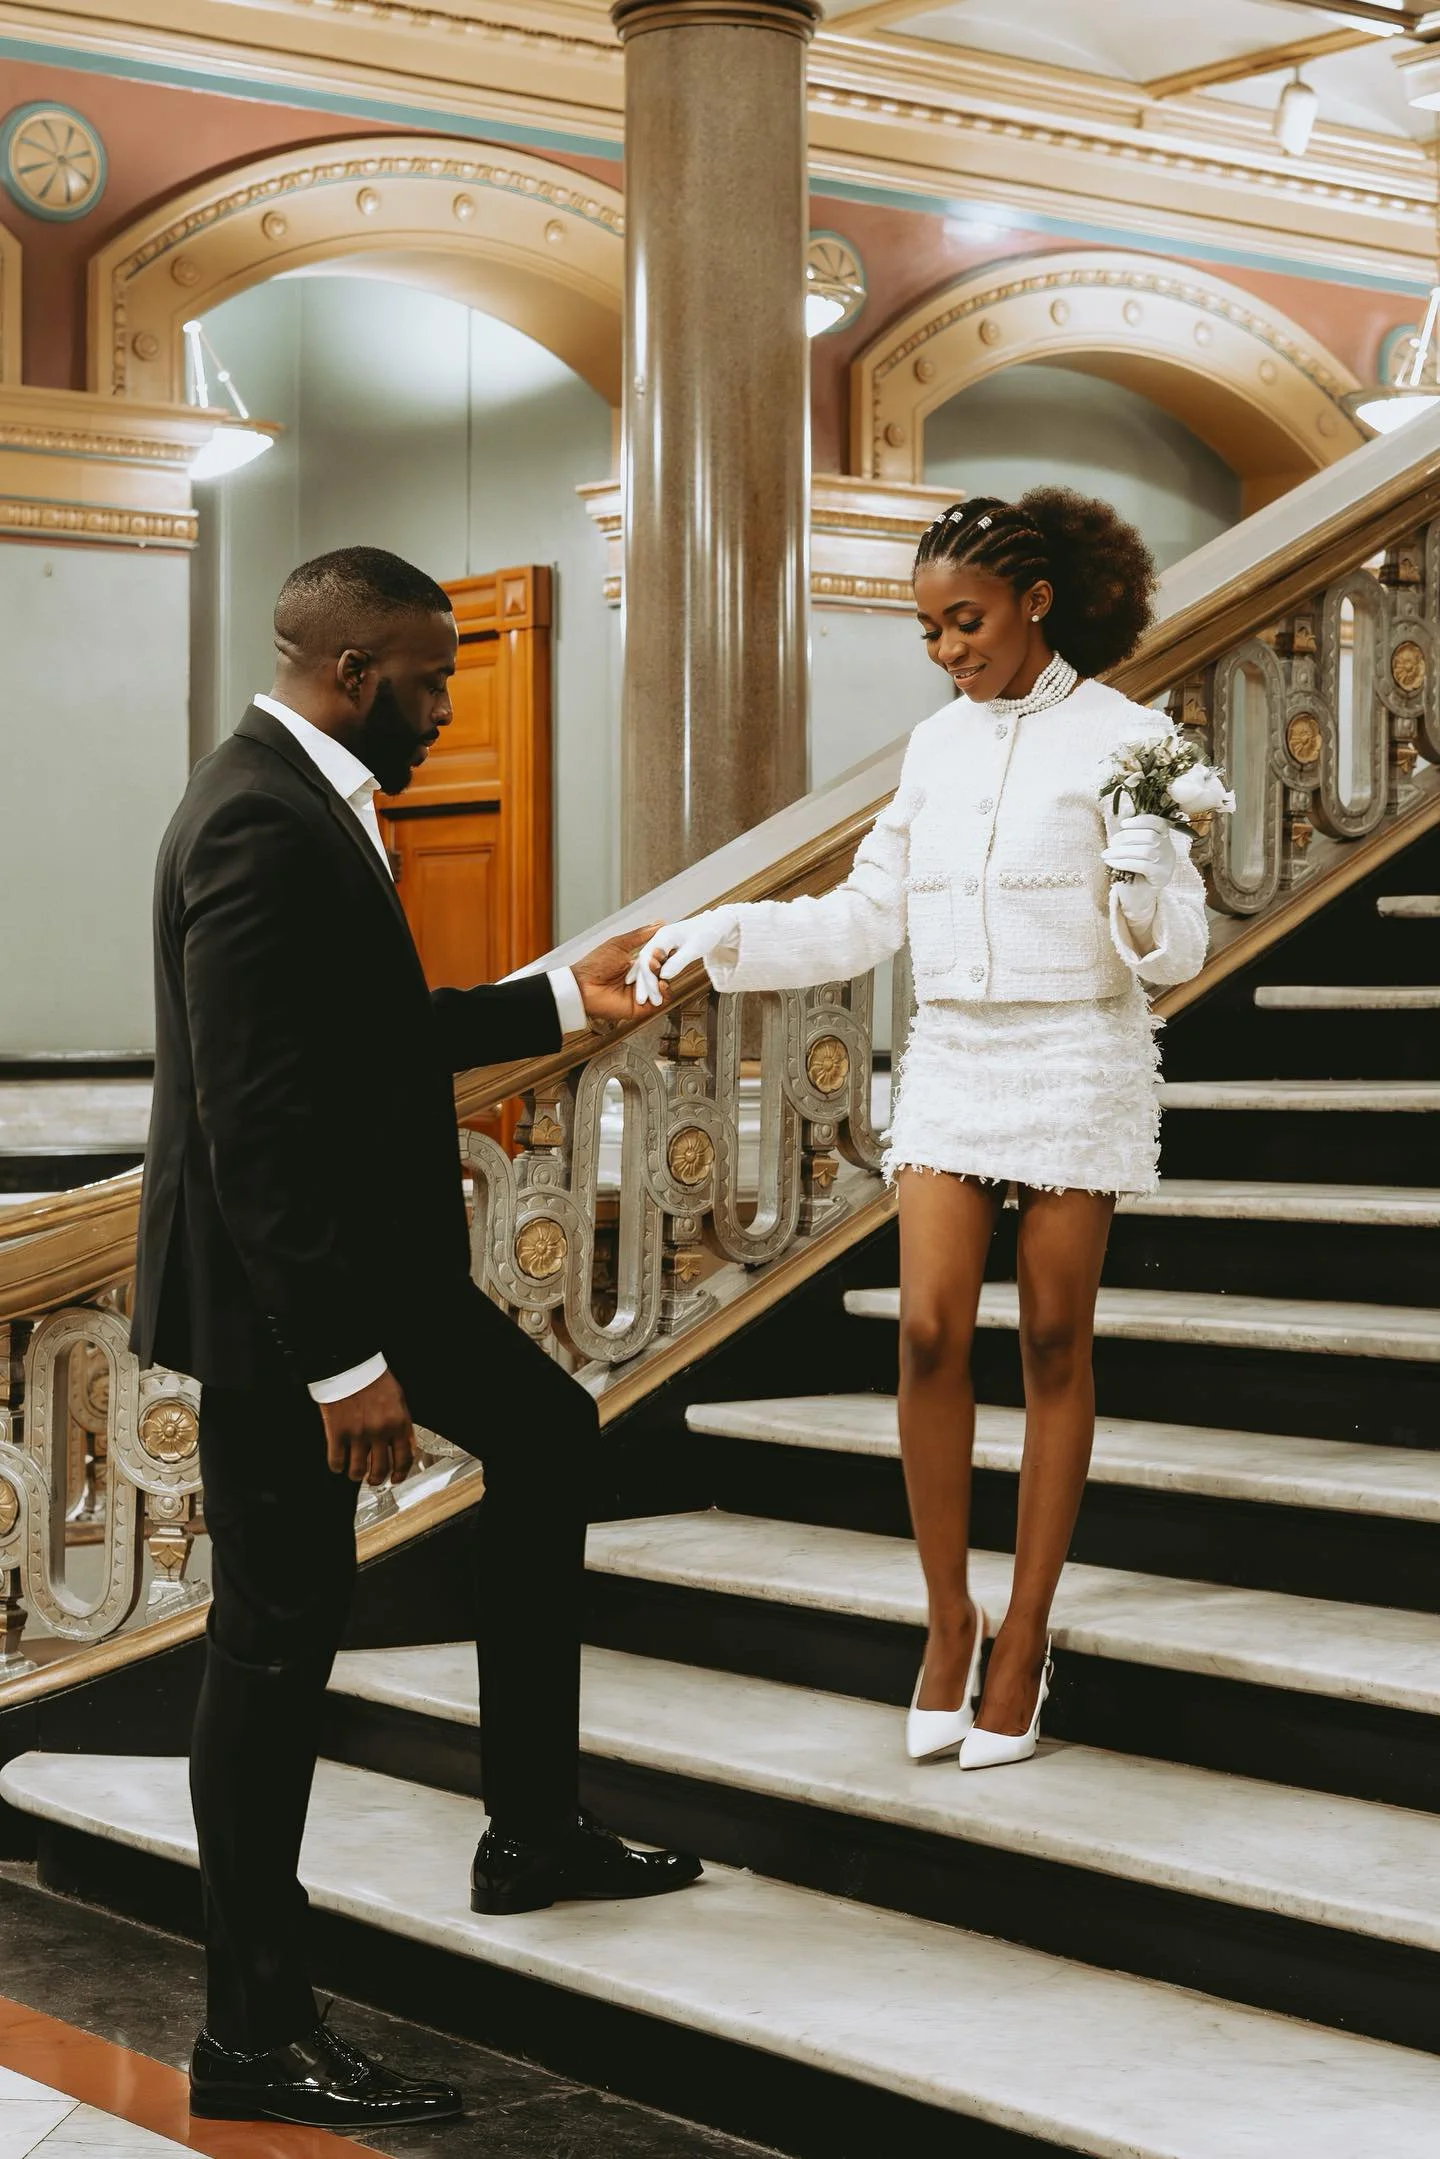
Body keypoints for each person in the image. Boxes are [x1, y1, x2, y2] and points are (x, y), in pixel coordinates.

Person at [133, 546, 700, 2133]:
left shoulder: (302, 794)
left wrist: (559, 1002)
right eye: (436, 677)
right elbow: (251, 1118)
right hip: (286, 1301)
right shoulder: (255, 814)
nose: (452, 705)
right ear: (356, 671)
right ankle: (251, 2027)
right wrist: (337, 1363)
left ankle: (529, 1830)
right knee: (274, 1639)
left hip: (369, 1269)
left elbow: (370, 1030)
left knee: (546, 1434)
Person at [631, 490, 1208, 1776]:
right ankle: (950, 1619)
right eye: (930, 630)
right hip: (953, 1052)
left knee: (1055, 1335)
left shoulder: (1130, 737)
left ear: (1035, 602)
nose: (950, 650)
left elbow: (1177, 945)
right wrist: (721, 934)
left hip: (1073, 1051)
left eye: (969, 621)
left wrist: (1134, 877)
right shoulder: (936, 747)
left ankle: (1028, 1634)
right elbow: (863, 913)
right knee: (931, 1326)